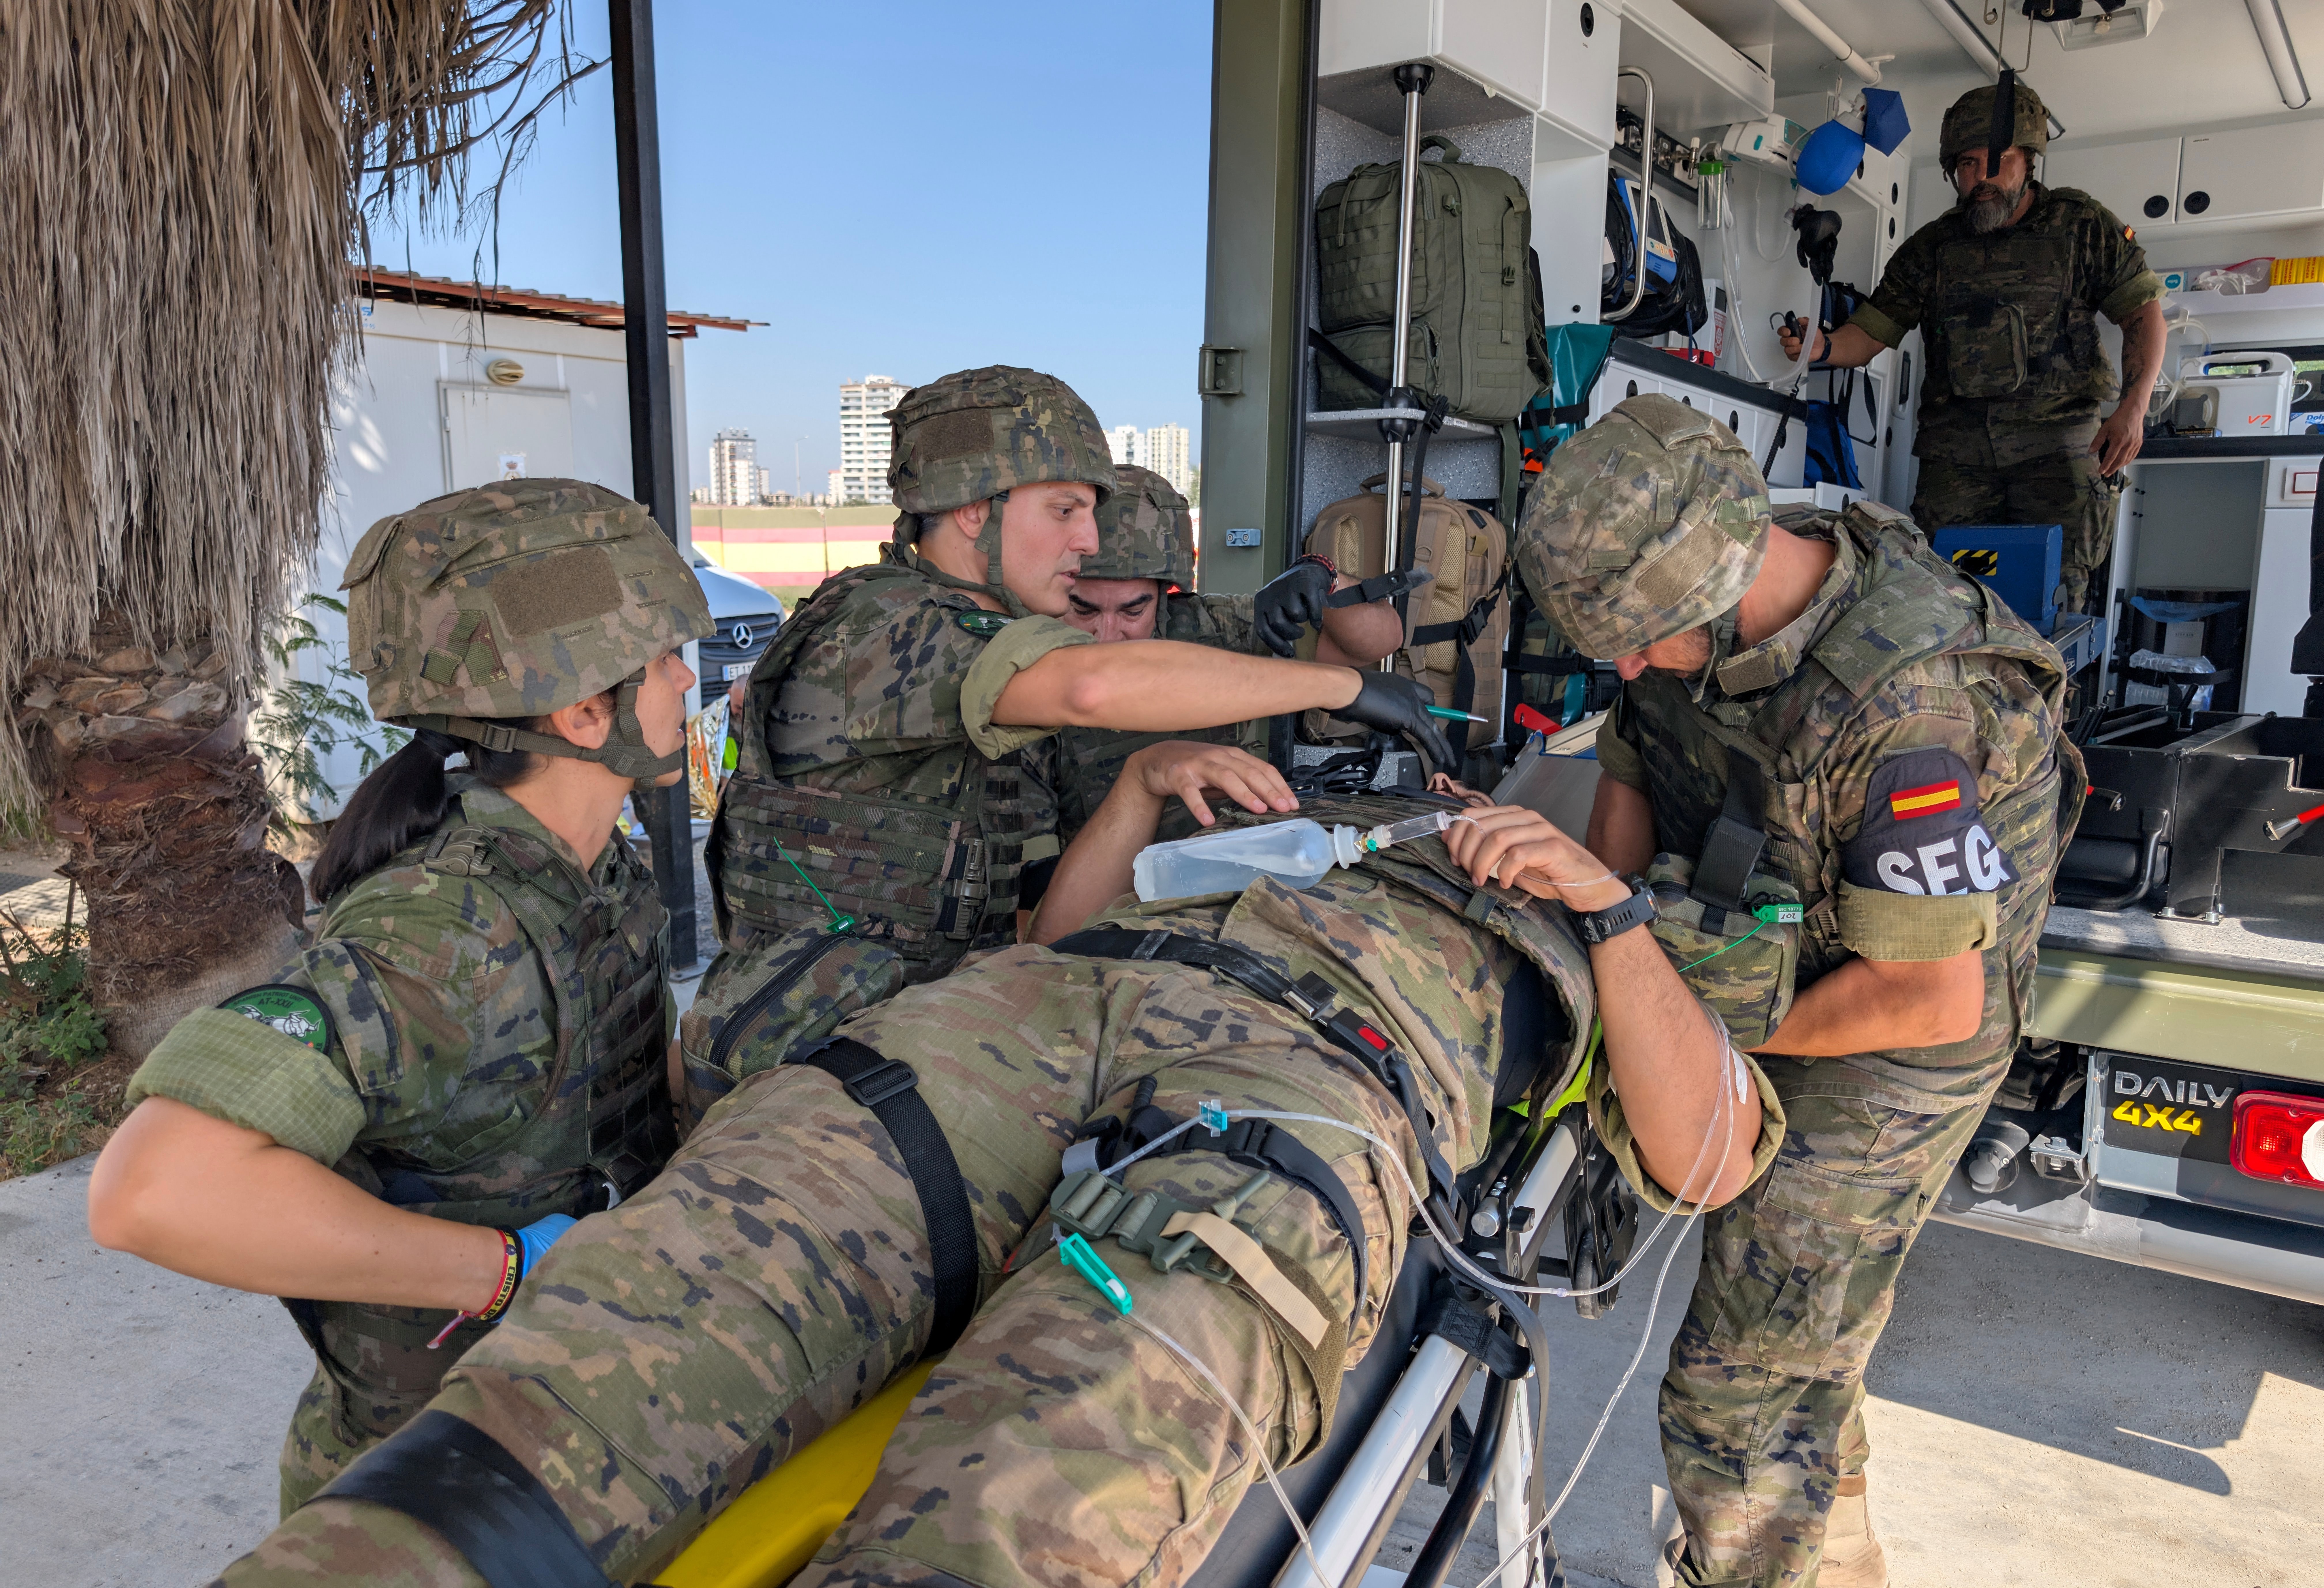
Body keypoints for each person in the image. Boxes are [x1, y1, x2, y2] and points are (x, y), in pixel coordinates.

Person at [204, 755, 1785, 1587]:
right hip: (1046, 1004)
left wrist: (1608, 912)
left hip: (1315, 1072)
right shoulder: (1349, 812)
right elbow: (1047, 935)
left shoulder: (1621, 924)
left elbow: (1708, 1152)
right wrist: (1152, 800)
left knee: (1092, 1414)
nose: (1521, 793)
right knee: (702, 1266)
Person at [1516, 395, 2077, 1588]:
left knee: (1744, 1380)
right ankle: (1840, 1552)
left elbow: (1931, 999)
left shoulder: (1912, 703)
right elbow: (1633, 754)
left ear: (1717, 582)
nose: (1620, 662)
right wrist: (1610, 933)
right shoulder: (1680, 617)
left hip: (1898, 1037)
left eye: (1638, 636)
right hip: (1781, 952)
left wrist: (1717, 1035)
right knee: (1806, 1326)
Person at [84, 480, 714, 1513]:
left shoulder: (593, 872)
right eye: (662, 658)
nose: (687, 676)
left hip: (572, 1440)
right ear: (582, 709)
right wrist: (502, 1271)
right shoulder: (446, 934)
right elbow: (151, 1190)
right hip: (435, 1499)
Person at [708, 365, 1455, 982]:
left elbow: (1047, 940)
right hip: (812, 1073)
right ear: (974, 511)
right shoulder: (889, 622)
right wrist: (1344, 689)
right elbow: (1091, 685)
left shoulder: (964, 635)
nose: (1088, 539)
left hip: (926, 1031)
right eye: (1064, 509)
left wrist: (1145, 779)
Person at [1778, 80, 2167, 616]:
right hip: (1958, 463)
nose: (1981, 177)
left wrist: (2134, 407)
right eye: (1966, 163)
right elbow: (1870, 334)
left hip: (2057, 454)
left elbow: (2143, 313)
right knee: (1941, 600)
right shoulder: (1933, 249)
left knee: (2051, 605)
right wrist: (1820, 347)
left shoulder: (2081, 227)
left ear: (2028, 161)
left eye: (1997, 160)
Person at [1047, 463, 1403, 845]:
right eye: (1084, 610)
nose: (1107, 636)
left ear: (1166, 592)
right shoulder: (1031, 670)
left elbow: (1380, 641)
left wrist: (1324, 578)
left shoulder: (1209, 628)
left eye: (1133, 611)